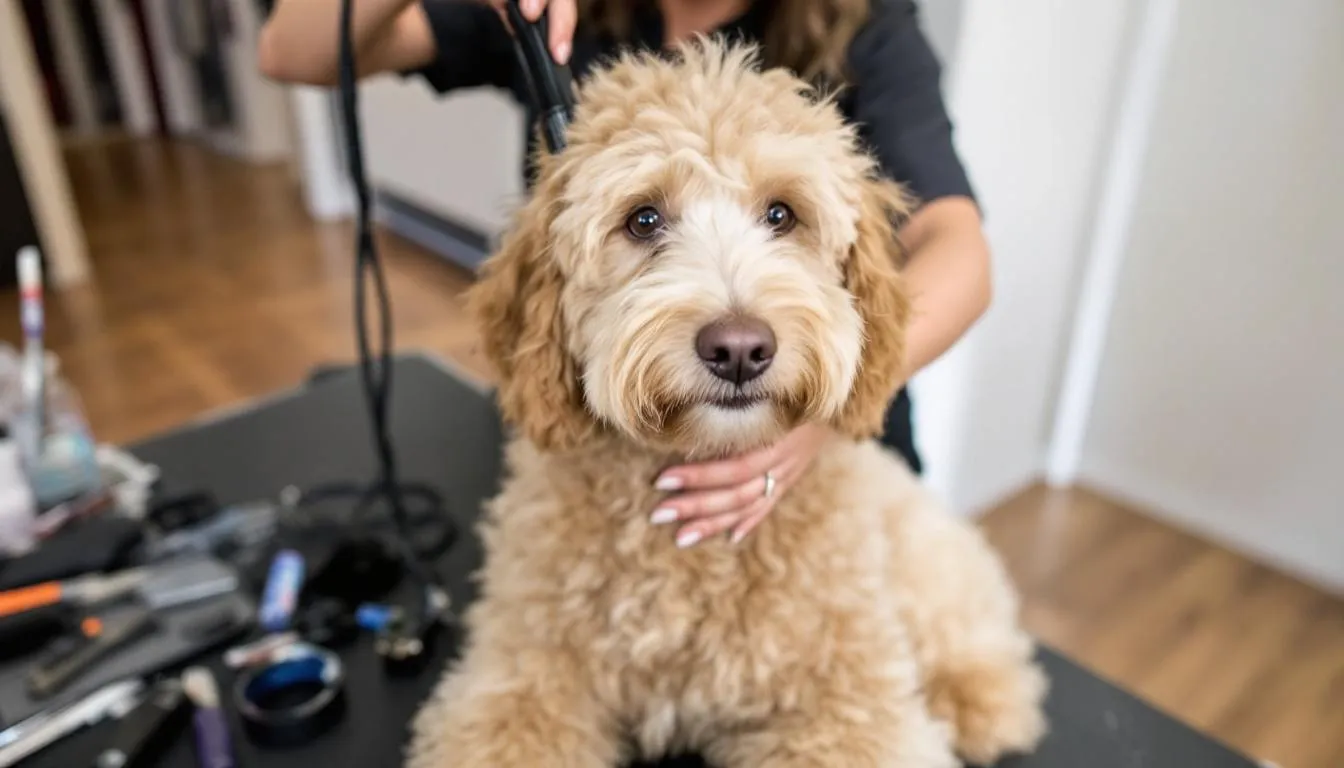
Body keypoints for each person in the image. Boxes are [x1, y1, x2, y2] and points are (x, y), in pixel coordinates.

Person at [258, 0, 991, 547]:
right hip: (600, 431)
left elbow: (960, 248)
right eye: (645, 220)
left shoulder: (867, 23)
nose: (731, 326)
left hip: (824, 442)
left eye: (779, 217)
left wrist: (827, 423)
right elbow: (294, 51)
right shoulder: (557, 12)